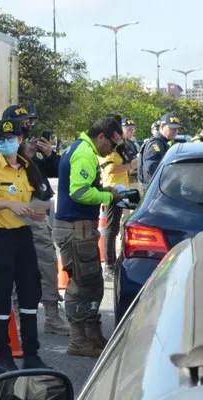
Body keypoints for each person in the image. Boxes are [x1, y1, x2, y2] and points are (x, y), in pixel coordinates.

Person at [0, 119, 50, 374]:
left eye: (12, 137)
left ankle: (31, 354)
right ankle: (3, 356)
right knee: (0, 296)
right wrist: (6, 203)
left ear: (20, 140)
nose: (7, 142)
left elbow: (42, 197)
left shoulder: (28, 168)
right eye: (2, 139)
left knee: (30, 293)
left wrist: (38, 212)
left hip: (23, 236)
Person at [53, 116, 124, 357]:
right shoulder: (84, 152)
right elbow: (79, 192)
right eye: (112, 145)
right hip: (75, 227)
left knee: (91, 282)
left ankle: (92, 337)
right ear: (101, 136)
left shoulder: (81, 148)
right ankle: (79, 341)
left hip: (78, 226)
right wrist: (108, 197)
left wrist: (105, 191)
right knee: (81, 284)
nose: (112, 150)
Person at [1, 105, 71, 336]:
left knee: (48, 260)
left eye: (29, 122)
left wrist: (49, 154)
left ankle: (52, 315)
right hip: (13, 211)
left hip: (37, 208)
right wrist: (26, 157)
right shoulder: (3, 146)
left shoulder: (30, 144)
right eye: (24, 122)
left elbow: (55, 172)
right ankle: (20, 317)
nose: (28, 126)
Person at [99, 118, 139, 280]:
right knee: (111, 228)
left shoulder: (120, 147)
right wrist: (130, 166)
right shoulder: (109, 149)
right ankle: (108, 265)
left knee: (118, 227)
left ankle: (113, 262)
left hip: (122, 189)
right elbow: (110, 170)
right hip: (112, 190)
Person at [139, 113, 182, 188]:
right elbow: (152, 168)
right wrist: (168, 182)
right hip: (155, 190)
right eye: (172, 128)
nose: (176, 131)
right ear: (162, 127)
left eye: (177, 129)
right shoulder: (156, 143)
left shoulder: (163, 142)